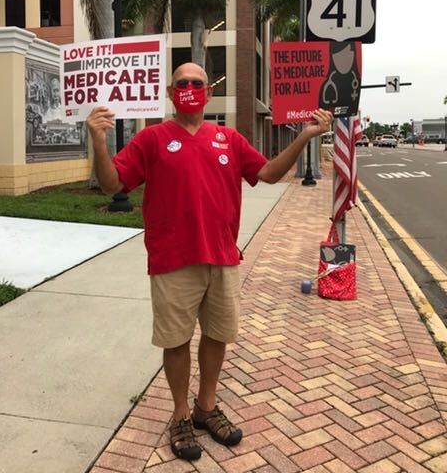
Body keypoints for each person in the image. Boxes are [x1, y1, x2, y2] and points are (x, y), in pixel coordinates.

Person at [86, 62, 332, 461]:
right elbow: (115, 183)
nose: (189, 88)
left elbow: (268, 173)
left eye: (196, 83)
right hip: (172, 260)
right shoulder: (152, 139)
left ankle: (205, 407)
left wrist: (304, 136)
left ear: (208, 93)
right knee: (176, 340)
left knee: (217, 335)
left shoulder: (229, 139)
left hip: (222, 258)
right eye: (181, 83)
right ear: (170, 93)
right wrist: (98, 141)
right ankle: (181, 413)